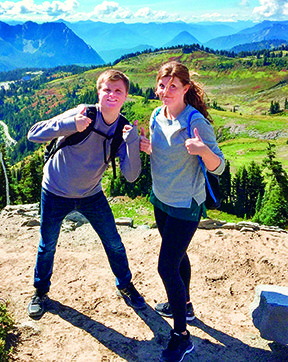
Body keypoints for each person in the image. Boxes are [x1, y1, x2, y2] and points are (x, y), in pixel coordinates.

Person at [27, 69, 146, 319]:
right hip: (55, 190)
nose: (111, 95)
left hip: (91, 193)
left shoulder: (123, 130)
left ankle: (125, 284)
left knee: (113, 241)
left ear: (126, 96)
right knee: (47, 244)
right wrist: (71, 124)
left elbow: (131, 175)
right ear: (98, 92)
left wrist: (132, 143)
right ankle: (40, 291)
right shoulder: (83, 113)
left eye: (118, 91)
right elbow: (34, 133)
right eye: (107, 90)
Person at [140, 61, 225, 362]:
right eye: (162, 85)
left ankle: (181, 336)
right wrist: (146, 147)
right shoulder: (155, 116)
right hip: (161, 199)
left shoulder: (196, 121)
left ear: (186, 88)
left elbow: (220, 165)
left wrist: (203, 151)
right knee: (179, 257)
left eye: (172, 86)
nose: (165, 91)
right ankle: (185, 305)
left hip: (185, 204)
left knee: (166, 267)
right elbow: (161, 152)